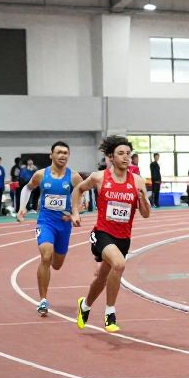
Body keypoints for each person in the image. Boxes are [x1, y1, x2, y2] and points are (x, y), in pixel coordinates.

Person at [71, 135, 150, 333]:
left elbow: (146, 214)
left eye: (128, 154)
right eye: (121, 154)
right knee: (119, 264)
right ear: (111, 157)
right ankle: (110, 313)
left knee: (102, 278)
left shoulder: (138, 181)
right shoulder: (99, 177)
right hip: (102, 233)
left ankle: (85, 306)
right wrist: (75, 211)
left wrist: (143, 200)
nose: (126, 158)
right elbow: (78, 189)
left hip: (123, 237)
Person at [17, 141, 83, 317]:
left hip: (64, 224)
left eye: (66, 153)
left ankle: (53, 257)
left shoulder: (74, 177)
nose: (62, 155)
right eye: (59, 152)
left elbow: (84, 197)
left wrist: (75, 213)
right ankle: (43, 300)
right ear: (51, 155)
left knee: (57, 264)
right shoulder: (41, 175)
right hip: (45, 221)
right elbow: (27, 188)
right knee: (46, 256)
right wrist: (22, 208)